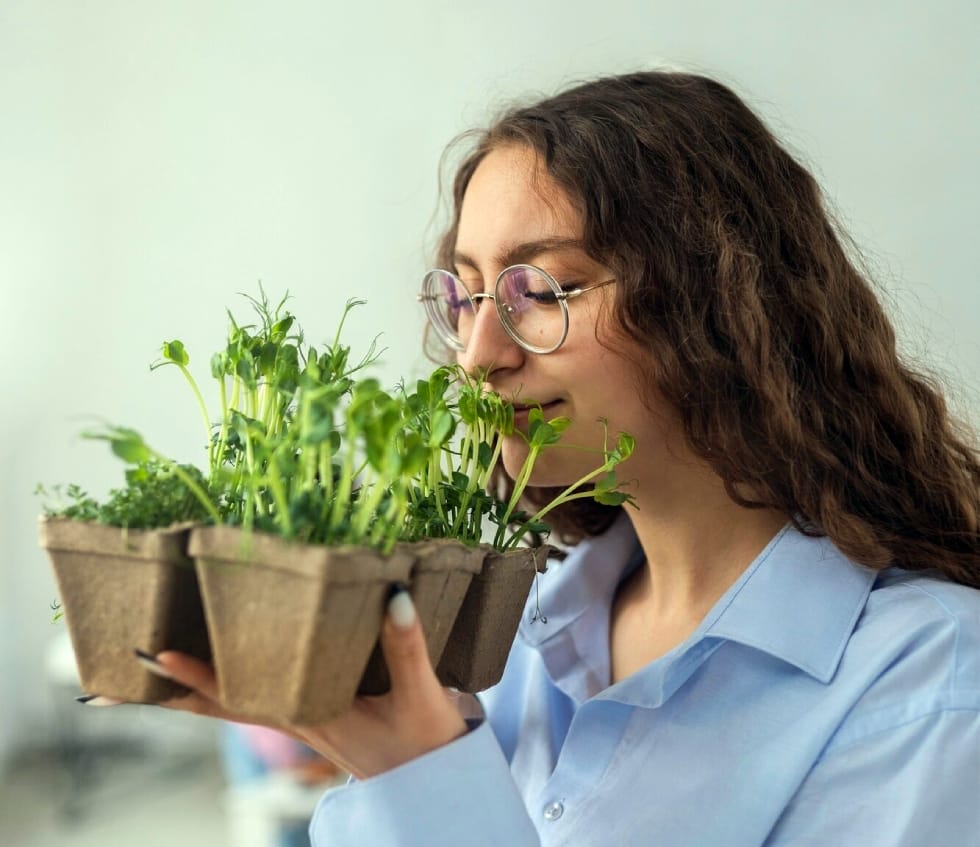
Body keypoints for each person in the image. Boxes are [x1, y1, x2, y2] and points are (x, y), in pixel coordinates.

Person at [138, 71, 979, 844]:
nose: (477, 355)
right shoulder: (522, 635)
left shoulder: (931, 682)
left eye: (538, 291)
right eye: (465, 295)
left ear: (718, 303)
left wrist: (418, 773)